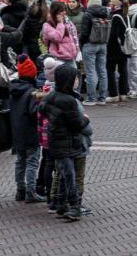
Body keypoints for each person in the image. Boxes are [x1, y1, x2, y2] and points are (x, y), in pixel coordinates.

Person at [39, 64, 89, 222]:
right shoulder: (69, 101)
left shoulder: (51, 96)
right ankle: (74, 206)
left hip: (55, 142)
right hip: (68, 143)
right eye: (75, 78)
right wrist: (85, 119)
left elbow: (42, 109)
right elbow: (77, 124)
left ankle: (61, 204)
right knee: (69, 175)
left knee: (62, 173)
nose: (77, 81)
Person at [9, 56, 43, 202]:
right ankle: (31, 191)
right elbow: (34, 112)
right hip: (30, 132)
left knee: (20, 161)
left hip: (17, 132)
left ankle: (20, 189)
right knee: (32, 162)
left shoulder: (14, 90)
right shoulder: (31, 92)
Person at [78, 0, 110, 106]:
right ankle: (102, 98)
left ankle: (91, 98)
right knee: (102, 71)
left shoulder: (87, 14)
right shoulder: (105, 13)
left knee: (90, 71)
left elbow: (84, 32)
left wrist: (80, 42)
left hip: (90, 44)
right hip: (103, 44)